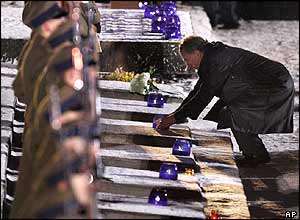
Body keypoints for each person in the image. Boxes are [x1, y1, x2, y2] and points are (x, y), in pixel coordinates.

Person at [156, 35, 295, 167]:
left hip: (276, 84)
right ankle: (253, 152)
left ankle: (257, 155)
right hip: (266, 83)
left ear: (197, 53)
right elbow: (197, 91)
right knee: (233, 110)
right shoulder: (211, 57)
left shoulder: (217, 60)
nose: (188, 66)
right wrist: (175, 114)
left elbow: (204, 95)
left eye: (187, 60)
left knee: (235, 112)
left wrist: (174, 118)